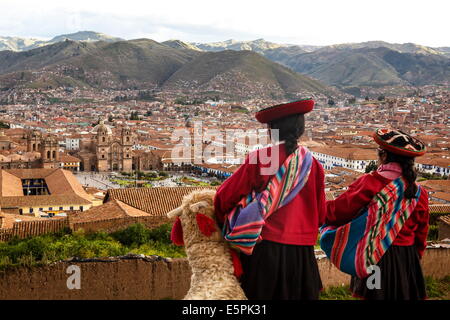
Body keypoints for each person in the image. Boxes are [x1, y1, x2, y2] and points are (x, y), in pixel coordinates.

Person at [214, 99, 326, 300]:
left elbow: (225, 197)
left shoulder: (261, 158)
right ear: (300, 128)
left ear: (272, 130)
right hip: (302, 255)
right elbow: (321, 213)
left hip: (265, 251)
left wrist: (231, 220)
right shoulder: (313, 165)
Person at [325, 128, 429, 300]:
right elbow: (421, 233)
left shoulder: (370, 182)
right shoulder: (419, 193)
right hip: (406, 258)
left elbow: (339, 212)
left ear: (383, 156)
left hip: (374, 255)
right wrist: (413, 258)